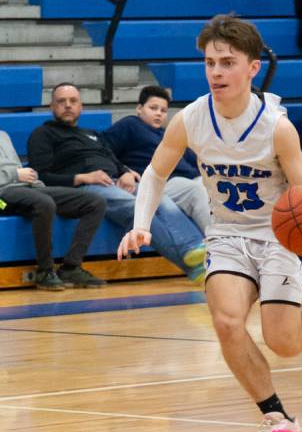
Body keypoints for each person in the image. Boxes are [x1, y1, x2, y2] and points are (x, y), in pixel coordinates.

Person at [116, 14, 302, 432]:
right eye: (210, 63)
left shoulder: (277, 126)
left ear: (252, 68)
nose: (216, 72)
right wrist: (141, 223)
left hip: (280, 236)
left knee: (283, 342)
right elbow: (155, 174)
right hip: (228, 234)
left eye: (228, 63)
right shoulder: (191, 118)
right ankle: (278, 420)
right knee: (227, 321)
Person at [27, 83, 207, 282]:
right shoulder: (42, 135)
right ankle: (194, 265)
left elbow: (114, 159)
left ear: (81, 106)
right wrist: (82, 177)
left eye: (73, 101)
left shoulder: (92, 135)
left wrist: (125, 172)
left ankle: (196, 247)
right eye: (62, 101)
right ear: (52, 106)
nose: (68, 105)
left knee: (157, 197)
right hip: (86, 188)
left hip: (117, 182)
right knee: (135, 208)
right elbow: (41, 176)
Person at [0, 130, 106, 289]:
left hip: (27, 187)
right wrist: (14, 174)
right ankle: (45, 270)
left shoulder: (3, 135)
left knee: (94, 201)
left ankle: (71, 267)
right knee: (44, 202)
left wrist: (31, 178)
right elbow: (13, 173)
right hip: (2, 196)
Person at [105, 86, 211, 233]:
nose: (158, 114)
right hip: (163, 181)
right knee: (196, 191)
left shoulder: (168, 132)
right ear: (139, 108)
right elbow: (103, 150)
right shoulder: (129, 125)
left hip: (190, 178)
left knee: (218, 187)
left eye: (163, 110)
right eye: (153, 108)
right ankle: (221, 247)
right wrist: (123, 170)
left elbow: (196, 160)